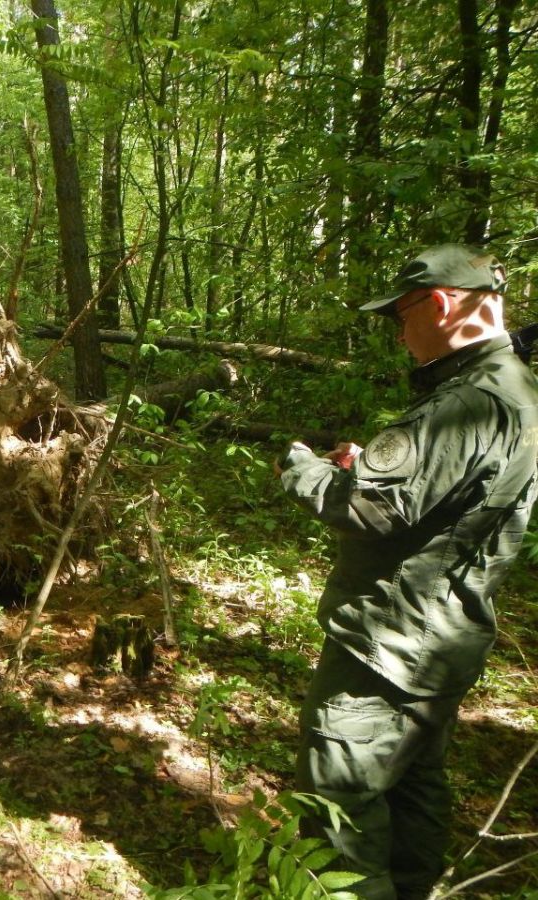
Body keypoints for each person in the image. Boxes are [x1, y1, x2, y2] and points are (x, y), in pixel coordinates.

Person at [276, 244, 538, 899]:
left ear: (442, 304)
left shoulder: (469, 400)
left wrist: (303, 466)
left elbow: (367, 506)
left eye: (401, 315)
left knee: (337, 806)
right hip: (442, 643)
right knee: (414, 785)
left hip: (387, 647)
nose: (398, 331)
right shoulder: (517, 389)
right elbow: (437, 494)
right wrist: (374, 465)